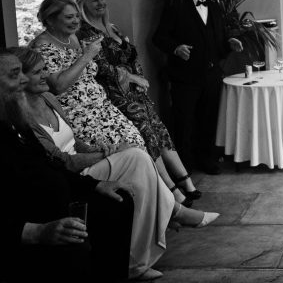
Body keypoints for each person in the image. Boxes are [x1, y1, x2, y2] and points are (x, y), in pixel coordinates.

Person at [11, 47, 219, 281]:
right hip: (73, 174)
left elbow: (74, 141)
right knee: (136, 157)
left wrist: (100, 150)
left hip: (84, 161)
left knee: (137, 159)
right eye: (38, 72)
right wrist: (104, 155)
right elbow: (62, 162)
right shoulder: (22, 118)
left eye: (45, 69)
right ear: (20, 78)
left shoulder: (48, 98)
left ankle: (140, 253)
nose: (46, 75)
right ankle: (162, 225)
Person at [0, 49, 133, 283]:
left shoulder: (15, 120)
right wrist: (36, 231)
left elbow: (49, 163)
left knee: (119, 200)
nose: (23, 80)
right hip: (36, 219)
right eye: (14, 75)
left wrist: (94, 185)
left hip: (63, 195)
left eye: (22, 72)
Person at [73, 0, 201, 205]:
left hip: (135, 91)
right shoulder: (84, 33)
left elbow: (132, 56)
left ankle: (184, 179)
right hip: (113, 94)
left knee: (159, 129)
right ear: (82, 4)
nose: (100, 3)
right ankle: (170, 189)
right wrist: (132, 78)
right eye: (94, 0)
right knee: (145, 133)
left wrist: (140, 79)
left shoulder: (112, 27)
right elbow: (100, 66)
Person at [153, 0, 243, 174]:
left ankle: (206, 160)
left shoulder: (215, 7)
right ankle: (184, 167)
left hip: (211, 76)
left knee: (208, 120)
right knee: (184, 123)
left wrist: (230, 42)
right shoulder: (176, 6)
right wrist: (176, 48)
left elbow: (219, 38)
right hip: (185, 77)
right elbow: (158, 37)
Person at [29, 0, 146, 149]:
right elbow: (58, 86)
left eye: (77, 16)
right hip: (78, 114)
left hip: (102, 107)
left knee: (137, 142)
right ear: (50, 20)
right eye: (69, 17)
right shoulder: (41, 46)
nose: (76, 21)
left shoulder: (72, 37)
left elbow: (87, 73)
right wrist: (87, 56)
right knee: (124, 150)